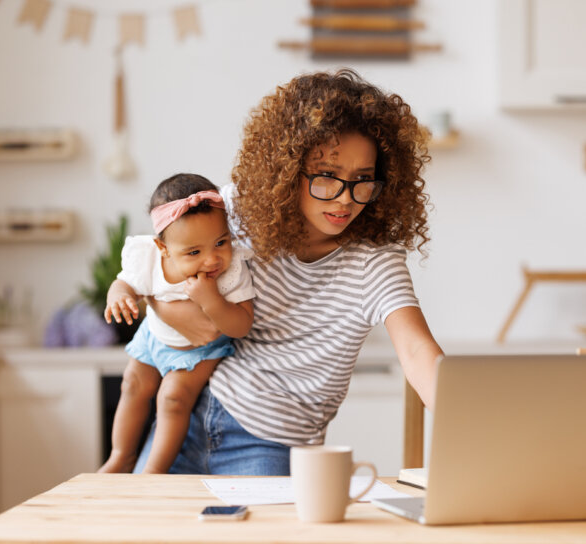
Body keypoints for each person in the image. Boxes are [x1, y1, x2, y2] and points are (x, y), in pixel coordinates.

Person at [136, 69, 444, 475]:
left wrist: (470, 420)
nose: (344, 199)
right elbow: (159, 265)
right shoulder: (239, 214)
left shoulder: (375, 262)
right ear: (286, 170)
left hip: (272, 443)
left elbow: (417, 351)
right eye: (327, 176)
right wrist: (164, 306)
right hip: (186, 412)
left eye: (362, 180)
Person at [99, 173, 255, 474]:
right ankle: (121, 456)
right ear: (164, 248)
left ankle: (152, 472)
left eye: (220, 242)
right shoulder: (147, 257)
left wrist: (212, 300)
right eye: (194, 252)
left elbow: (242, 325)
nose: (212, 260)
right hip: (153, 336)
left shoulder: (232, 269)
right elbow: (125, 283)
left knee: (172, 400)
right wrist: (117, 296)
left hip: (197, 352)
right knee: (132, 385)